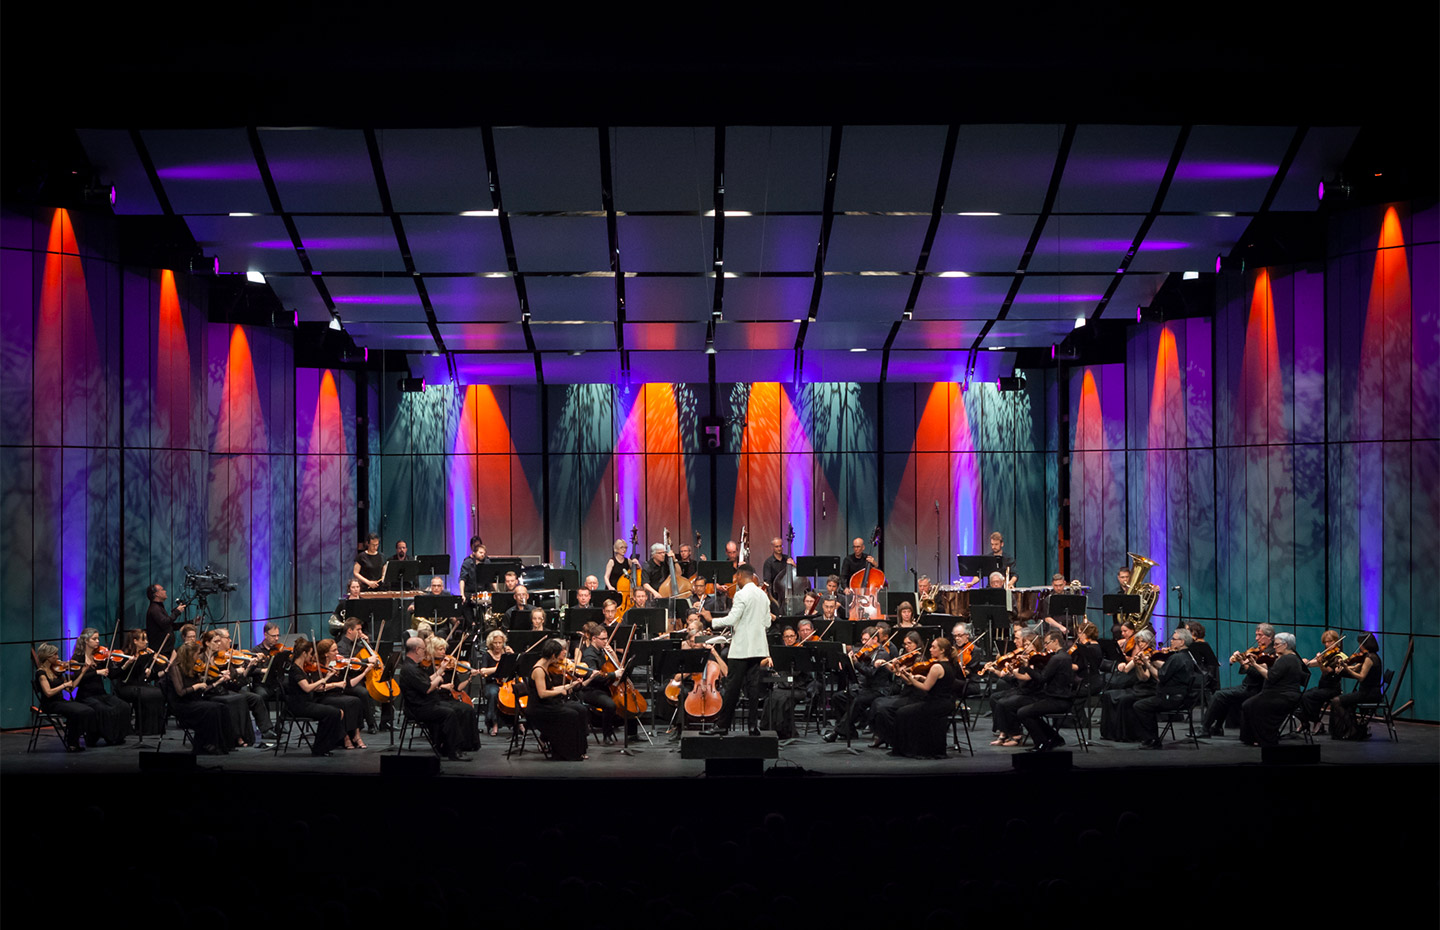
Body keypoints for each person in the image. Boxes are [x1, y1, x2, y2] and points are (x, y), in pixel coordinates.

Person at [707, 563, 771, 735]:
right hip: (758, 648)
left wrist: (711, 620)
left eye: (736, 577)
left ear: (741, 576)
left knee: (732, 688)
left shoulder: (741, 594)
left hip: (742, 648)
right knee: (753, 688)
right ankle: (753, 726)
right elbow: (767, 623)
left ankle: (722, 726)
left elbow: (731, 619)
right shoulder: (763, 595)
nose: (736, 581)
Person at [871, 637, 960, 757]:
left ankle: (909, 748)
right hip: (946, 702)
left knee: (902, 713)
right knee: (904, 711)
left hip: (936, 704)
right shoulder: (949, 664)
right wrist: (920, 677)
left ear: (942, 650)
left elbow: (925, 687)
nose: (930, 649)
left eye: (933, 647)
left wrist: (911, 678)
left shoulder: (936, 667)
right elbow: (940, 681)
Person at [396, 636, 478, 761]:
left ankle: (448, 746)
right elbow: (427, 688)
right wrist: (439, 680)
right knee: (449, 713)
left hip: (426, 704)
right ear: (417, 650)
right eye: (423, 649)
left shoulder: (412, 666)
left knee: (456, 709)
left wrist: (440, 670)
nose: (425, 652)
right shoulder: (410, 669)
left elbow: (426, 680)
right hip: (419, 708)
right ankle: (452, 751)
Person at [1131, 628, 1200, 748]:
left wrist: (1147, 664)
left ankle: (1152, 740)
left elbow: (1160, 677)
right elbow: (1168, 669)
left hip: (1172, 698)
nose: (1171, 641)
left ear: (1182, 642)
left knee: (1140, 706)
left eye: (1174, 639)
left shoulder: (1176, 658)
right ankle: (1151, 738)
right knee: (1145, 703)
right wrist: (1152, 661)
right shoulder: (1187, 656)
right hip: (1183, 697)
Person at [285, 637, 355, 755]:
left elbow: (314, 687)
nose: (311, 657)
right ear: (304, 653)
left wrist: (327, 678)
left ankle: (322, 746)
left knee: (335, 713)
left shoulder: (302, 668)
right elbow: (307, 688)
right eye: (310, 654)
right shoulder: (295, 670)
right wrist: (322, 680)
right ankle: (321, 747)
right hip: (299, 706)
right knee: (334, 713)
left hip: (307, 703)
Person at [1203, 623, 1275, 737]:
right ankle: (1217, 727)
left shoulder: (1271, 654)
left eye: (1260, 635)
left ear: (1269, 636)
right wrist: (1242, 661)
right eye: (1256, 635)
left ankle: (1204, 728)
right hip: (1247, 686)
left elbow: (1259, 675)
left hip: (1255, 689)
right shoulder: (1258, 651)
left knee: (1219, 695)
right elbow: (1243, 671)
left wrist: (1244, 663)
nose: (1256, 638)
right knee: (1222, 693)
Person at [825, 625, 893, 742]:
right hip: (865, 688)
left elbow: (870, 673)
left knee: (858, 700)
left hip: (878, 690)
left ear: (875, 639)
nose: (863, 643)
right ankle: (850, 731)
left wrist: (856, 663)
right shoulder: (868, 652)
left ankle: (837, 731)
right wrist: (848, 663)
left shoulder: (882, 654)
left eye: (866, 639)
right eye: (862, 640)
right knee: (838, 697)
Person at [526, 638, 591, 760]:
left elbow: (550, 688)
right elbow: (542, 693)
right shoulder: (539, 670)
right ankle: (566, 753)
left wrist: (569, 685)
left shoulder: (545, 667)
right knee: (571, 714)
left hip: (547, 704)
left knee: (579, 709)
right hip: (539, 708)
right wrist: (560, 691)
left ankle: (579, 750)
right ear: (552, 655)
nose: (560, 659)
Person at [1239, 631, 1307, 747]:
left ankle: (1263, 738)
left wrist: (1254, 665)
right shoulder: (1291, 658)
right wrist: (1255, 664)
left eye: (1276, 644)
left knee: (1251, 705)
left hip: (1285, 696)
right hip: (1283, 694)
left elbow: (1270, 676)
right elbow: (1273, 670)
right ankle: (1253, 737)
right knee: (1249, 704)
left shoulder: (1287, 659)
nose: (1274, 647)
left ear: (1285, 645)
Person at [1011, 630, 1075, 752]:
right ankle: (1054, 738)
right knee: (1028, 712)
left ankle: (1041, 743)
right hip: (1062, 698)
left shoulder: (1057, 659)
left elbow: (1041, 678)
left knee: (1023, 712)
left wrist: (1026, 667)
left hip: (1058, 700)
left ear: (1056, 641)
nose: (1045, 646)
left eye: (1047, 643)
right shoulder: (1065, 656)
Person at [165, 641, 235, 753]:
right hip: (182, 705)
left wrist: (217, 681)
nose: (198, 657)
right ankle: (207, 744)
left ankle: (224, 744)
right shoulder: (175, 668)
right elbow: (180, 692)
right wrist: (196, 686)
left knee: (223, 707)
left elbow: (203, 689)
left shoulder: (193, 668)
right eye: (197, 654)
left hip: (194, 701)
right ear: (190, 655)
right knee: (212, 709)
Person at [70, 629, 132, 745]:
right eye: (94, 639)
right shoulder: (77, 658)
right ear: (86, 641)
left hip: (101, 694)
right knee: (104, 710)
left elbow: (112, 675)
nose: (98, 641)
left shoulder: (99, 657)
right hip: (86, 696)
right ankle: (109, 737)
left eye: (98, 638)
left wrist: (125, 665)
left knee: (124, 706)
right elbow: (78, 678)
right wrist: (97, 672)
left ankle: (119, 736)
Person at [35, 644, 102, 750]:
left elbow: (71, 688)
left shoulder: (57, 671)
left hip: (61, 702)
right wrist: (63, 685)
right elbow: (48, 693)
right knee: (78, 712)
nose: (57, 657)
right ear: (47, 656)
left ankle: (73, 741)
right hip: (50, 704)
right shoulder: (41, 673)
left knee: (88, 710)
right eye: (54, 655)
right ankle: (72, 742)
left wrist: (82, 673)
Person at [334, 618, 393, 732]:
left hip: (363, 676)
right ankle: (371, 724)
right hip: (350, 679)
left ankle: (385, 722)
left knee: (387, 687)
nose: (361, 633)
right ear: (350, 630)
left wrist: (368, 644)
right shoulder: (341, 646)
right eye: (358, 630)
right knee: (363, 692)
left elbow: (371, 655)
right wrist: (366, 660)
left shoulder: (359, 644)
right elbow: (347, 663)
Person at [579, 626, 635, 743]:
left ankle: (632, 734)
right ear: (594, 639)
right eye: (603, 639)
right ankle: (607, 735)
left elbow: (616, 666)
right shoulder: (589, 655)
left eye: (607, 638)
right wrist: (614, 674)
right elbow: (595, 677)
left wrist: (613, 654)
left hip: (605, 686)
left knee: (627, 698)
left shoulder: (602, 651)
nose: (606, 641)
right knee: (610, 705)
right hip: (592, 690)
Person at [111, 628, 167, 735]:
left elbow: (148, 678)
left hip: (140, 685)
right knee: (146, 693)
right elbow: (115, 675)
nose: (146, 642)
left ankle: (154, 729)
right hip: (126, 686)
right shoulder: (124, 655)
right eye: (143, 639)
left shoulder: (145, 655)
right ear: (135, 641)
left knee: (158, 692)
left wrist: (150, 672)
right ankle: (143, 728)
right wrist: (126, 664)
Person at [1328, 633, 1383, 740]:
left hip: (1369, 694)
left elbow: (1361, 677)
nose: (1359, 646)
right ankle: (1352, 728)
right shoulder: (1370, 656)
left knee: (1336, 701)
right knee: (1345, 703)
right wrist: (1342, 667)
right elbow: (1355, 668)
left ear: (1364, 644)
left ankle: (1352, 729)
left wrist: (1346, 669)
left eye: (1360, 643)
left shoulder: (1370, 658)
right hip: (1369, 692)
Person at [1296, 630, 1346, 734]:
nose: (1327, 644)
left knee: (1307, 697)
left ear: (1336, 641)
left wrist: (1320, 663)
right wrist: (1306, 662)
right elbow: (1315, 663)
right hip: (1322, 687)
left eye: (1330, 641)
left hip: (1332, 689)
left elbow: (1327, 671)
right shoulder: (1328, 655)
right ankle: (1305, 722)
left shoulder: (1340, 657)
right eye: (1325, 642)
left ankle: (1316, 721)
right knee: (1300, 696)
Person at [474, 630, 513, 737]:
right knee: (493, 694)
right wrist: (497, 668)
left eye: (500, 643)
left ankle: (516, 722)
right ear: (491, 643)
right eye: (495, 643)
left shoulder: (506, 653)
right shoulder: (487, 655)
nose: (498, 645)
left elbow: (515, 667)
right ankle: (494, 722)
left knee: (516, 692)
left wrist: (513, 655)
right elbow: (483, 671)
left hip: (506, 683)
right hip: (491, 683)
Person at [145, 584, 189, 654]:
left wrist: (189, 622)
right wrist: (177, 611)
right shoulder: (154, 608)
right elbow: (165, 623)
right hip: (161, 651)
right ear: (157, 594)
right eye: (162, 590)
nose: (165, 591)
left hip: (166, 649)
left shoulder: (159, 607)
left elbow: (169, 625)